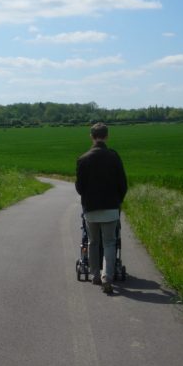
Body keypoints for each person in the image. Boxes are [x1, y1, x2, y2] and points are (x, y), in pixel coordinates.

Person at [75, 123, 128, 293]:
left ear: (91, 136)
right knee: (110, 243)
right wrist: (118, 200)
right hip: (111, 207)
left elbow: (79, 188)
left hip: (91, 209)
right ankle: (108, 276)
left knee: (93, 242)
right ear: (107, 136)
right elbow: (123, 184)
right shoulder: (114, 157)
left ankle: (95, 275)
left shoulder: (83, 159)